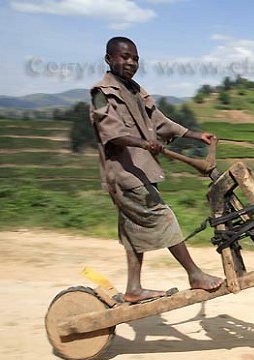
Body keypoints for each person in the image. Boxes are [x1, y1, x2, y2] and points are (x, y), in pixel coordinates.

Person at [89, 36, 223, 304]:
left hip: (142, 170)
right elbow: (111, 135)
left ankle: (134, 289)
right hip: (126, 175)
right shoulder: (101, 95)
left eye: (135, 58)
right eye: (124, 57)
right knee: (164, 218)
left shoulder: (137, 91)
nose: (130, 63)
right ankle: (194, 274)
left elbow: (160, 122)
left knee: (132, 231)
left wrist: (196, 135)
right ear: (109, 59)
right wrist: (143, 143)